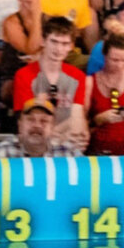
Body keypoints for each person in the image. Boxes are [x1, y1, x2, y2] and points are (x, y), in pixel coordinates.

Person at [11, 17, 89, 149]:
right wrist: (55, 137)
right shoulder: (24, 75)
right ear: (43, 41)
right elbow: (26, 121)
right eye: (54, 42)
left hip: (67, 144)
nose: (58, 49)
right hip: (35, 142)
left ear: (71, 46)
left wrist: (80, 133)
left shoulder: (78, 77)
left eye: (64, 44)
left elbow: (78, 117)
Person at [86, 34, 124, 156]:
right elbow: (82, 124)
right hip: (100, 151)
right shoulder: (90, 82)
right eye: (114, 60)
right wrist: (99, 119)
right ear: (105, 56)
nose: (120, 65)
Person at [0, 97, 81, 159]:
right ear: (20, 125)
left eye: (44, 121)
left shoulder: (69, 152)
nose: (37, 125)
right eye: (30, 119)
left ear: (52, 127)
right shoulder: (3, 151)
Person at [1, 0, 45, 64]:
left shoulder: (48, 18)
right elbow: (30, 50)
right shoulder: (11, 22)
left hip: (43, 65)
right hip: (15, 67)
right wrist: (36, 16)